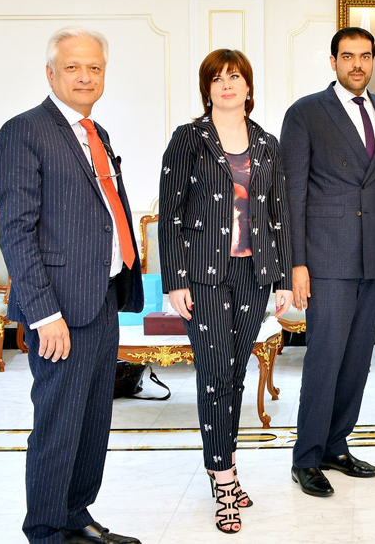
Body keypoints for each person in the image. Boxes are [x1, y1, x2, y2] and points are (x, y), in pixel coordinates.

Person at [0, 26, 143, 544]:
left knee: (93, 420)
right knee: (59, 425)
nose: (85, 76)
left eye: (94, 68)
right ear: (50, 73)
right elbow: (16, 231)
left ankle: (76, 515)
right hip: (57, 307)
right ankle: (45, 530)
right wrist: (43, 313)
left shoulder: (96, 133)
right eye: (73, 67)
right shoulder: (24, 131)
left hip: (102, 297)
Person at [158, 49, 294, 532]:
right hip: (203, 275)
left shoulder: (267, 143)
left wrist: (282, 278)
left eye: (234, 76)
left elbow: (279, 214)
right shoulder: (189, 139)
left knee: (234, 374)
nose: (227, 84)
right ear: (207, 89)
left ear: (248, 86)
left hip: (254, 274)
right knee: (215, 373)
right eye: (217, 78)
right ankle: (224, 480)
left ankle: (224, 463)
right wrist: (175, 279)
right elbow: (170, 214)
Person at [280, 27, 375, 497]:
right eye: (348, 56)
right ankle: (306, 457)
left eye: (365, 56)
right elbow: (291, 193)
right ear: (333, 61)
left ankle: (336, 446)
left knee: (357, 360)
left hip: (374, 255)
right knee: (325, 359)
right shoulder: (305, 112)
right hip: (326, 257)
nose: (358, 64)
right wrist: (295, 264)